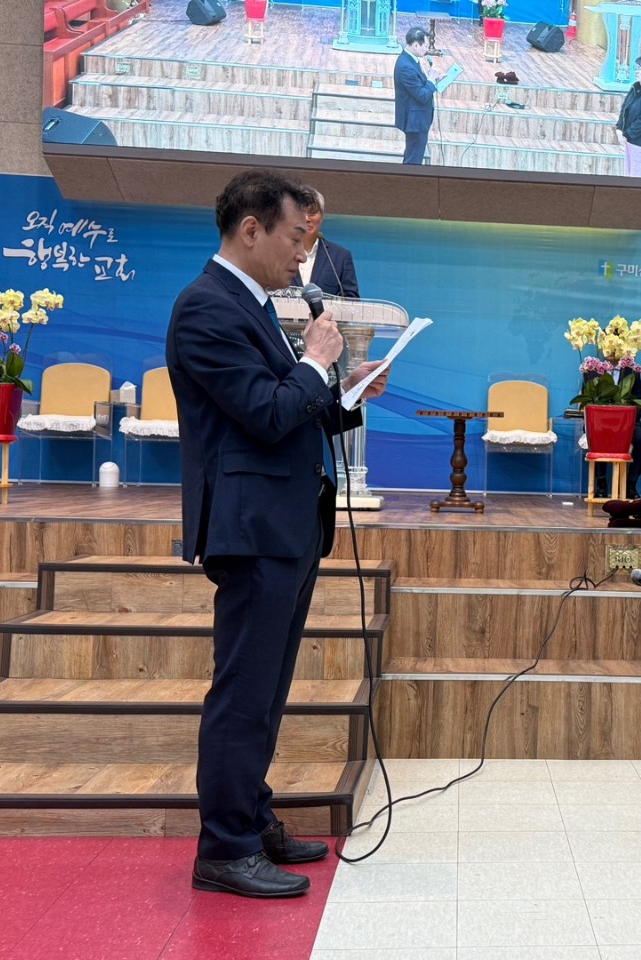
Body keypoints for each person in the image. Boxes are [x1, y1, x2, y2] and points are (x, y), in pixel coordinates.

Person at [167, 169, 389, 899]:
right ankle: (225, 847)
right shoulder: (206, 307)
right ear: (251, 229)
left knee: (266, 689)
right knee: (243, 690)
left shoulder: (254, 304)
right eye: (297, 237)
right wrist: (317, 362)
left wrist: (347, 389)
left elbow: (292, 405)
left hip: (285, 523)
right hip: (251, 526)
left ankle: (252, 817)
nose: (305, 253)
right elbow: (264, 412)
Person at [589, 365, 641, 499]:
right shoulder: (593, 371)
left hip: (627, 422)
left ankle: (631, 484)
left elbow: (640, 403)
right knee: (597, 436)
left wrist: (624, 420)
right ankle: (601, 484)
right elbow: (588, 401)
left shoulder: (632, 372)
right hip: (600, 422)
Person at [294, 188, 359, 298]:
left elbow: (351, 301)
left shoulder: (340, 256)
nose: (307, 218)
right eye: (301, 213)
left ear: (322, 216)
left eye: (312, 213)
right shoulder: (278, 252)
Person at [394, 27, 440, 165]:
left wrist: (434, 80)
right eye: (425, 46)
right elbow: (421, 95)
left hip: (418, 120)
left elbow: (419, 85)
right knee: (413, 161)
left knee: (413, 157)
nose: (427, 49)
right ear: (415, 45)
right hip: (414, 121)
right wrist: (431, 80)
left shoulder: (411, 60)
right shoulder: (406, 66)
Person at [615, 54, 641, 178]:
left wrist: (627, 135)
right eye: (636, 68)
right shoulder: (635, 87)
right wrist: (619, 128)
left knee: (640, 178)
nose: (637, 71)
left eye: (640, 68)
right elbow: (625, 109)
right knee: (629, 176)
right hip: (630, 142)